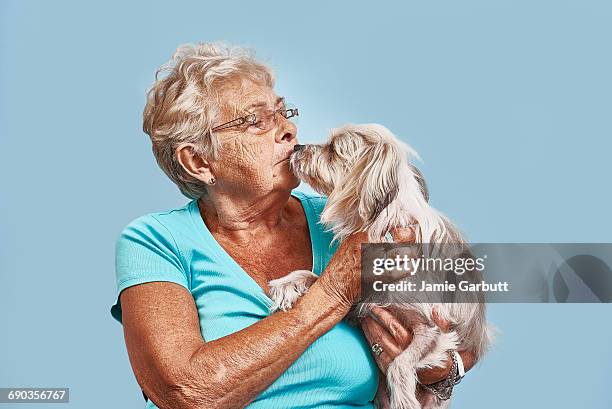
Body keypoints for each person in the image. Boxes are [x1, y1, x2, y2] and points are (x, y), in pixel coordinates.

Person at [110, 41, 477, 409]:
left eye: (283, 112)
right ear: (199, 162)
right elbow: (184, 393)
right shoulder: (155, 241)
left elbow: (460, 323)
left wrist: (443, 371)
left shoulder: (347, 218)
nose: (288, 129)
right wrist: (333, 293)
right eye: (255, 120)